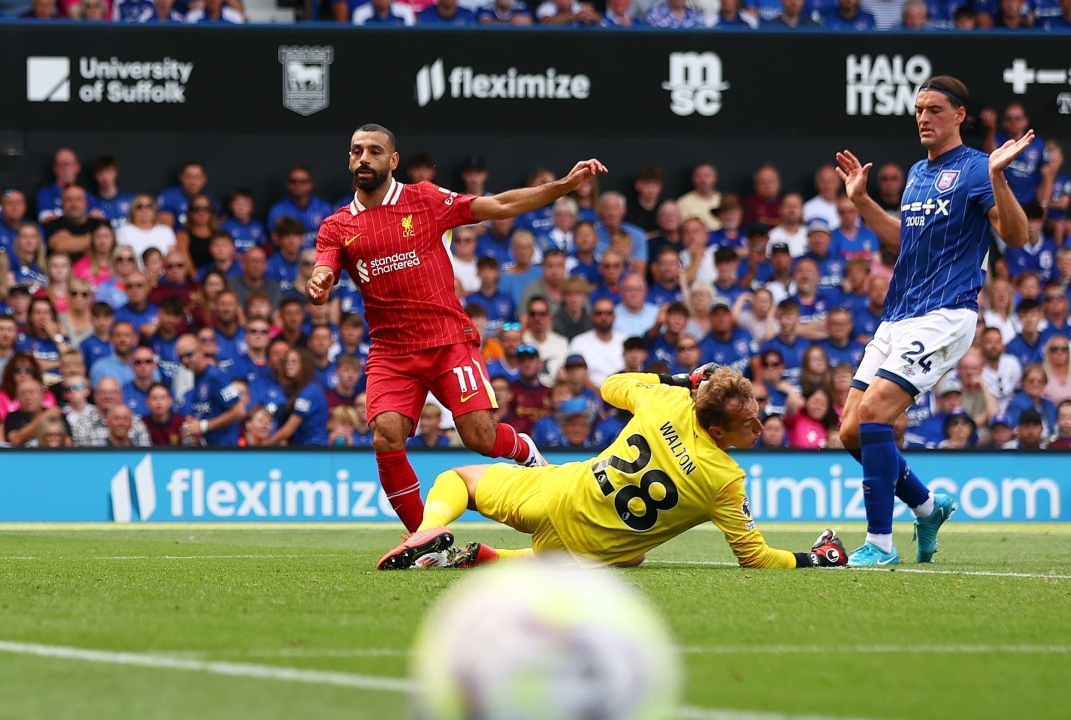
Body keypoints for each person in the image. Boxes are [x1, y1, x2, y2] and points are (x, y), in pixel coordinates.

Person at [309, 124, 604, 531]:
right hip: (391, 351)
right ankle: (424, 536)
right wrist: (319, 281)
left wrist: (564, 185)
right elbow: (323, 267)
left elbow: (499, 205)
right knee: (386, 436)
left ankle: (526, 451)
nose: (364, 158)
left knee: (479, 437)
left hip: (447, 339)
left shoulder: (424, 199)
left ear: (393, 161)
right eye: (357, 150)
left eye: (374, 151)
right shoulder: (338, 225)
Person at [835, 75, 1032, 566]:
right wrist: (861, 202)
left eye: (934, 109)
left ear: (959, 115)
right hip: (899, 314)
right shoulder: (919, 174)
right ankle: (927, 506)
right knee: (850, 431)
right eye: (919, 109)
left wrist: (1000, 177)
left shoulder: (977, 169)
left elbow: (1019, 235)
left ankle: (880, 545)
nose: (923, 117)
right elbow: (906, 242)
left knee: (877, 411)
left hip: (946, 312)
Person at [377, 366, 849, 570]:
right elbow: (755, 557)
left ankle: (428, 529)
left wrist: (679, 380)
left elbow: (610, 386)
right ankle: (492, 560)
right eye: (749, 421)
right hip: (590, 552)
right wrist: (814, 559)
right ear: (719, 431)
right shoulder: (725, 480)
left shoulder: (666, 399)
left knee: (457, 479)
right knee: (631, 553)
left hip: (560, 493)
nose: (759, 423)